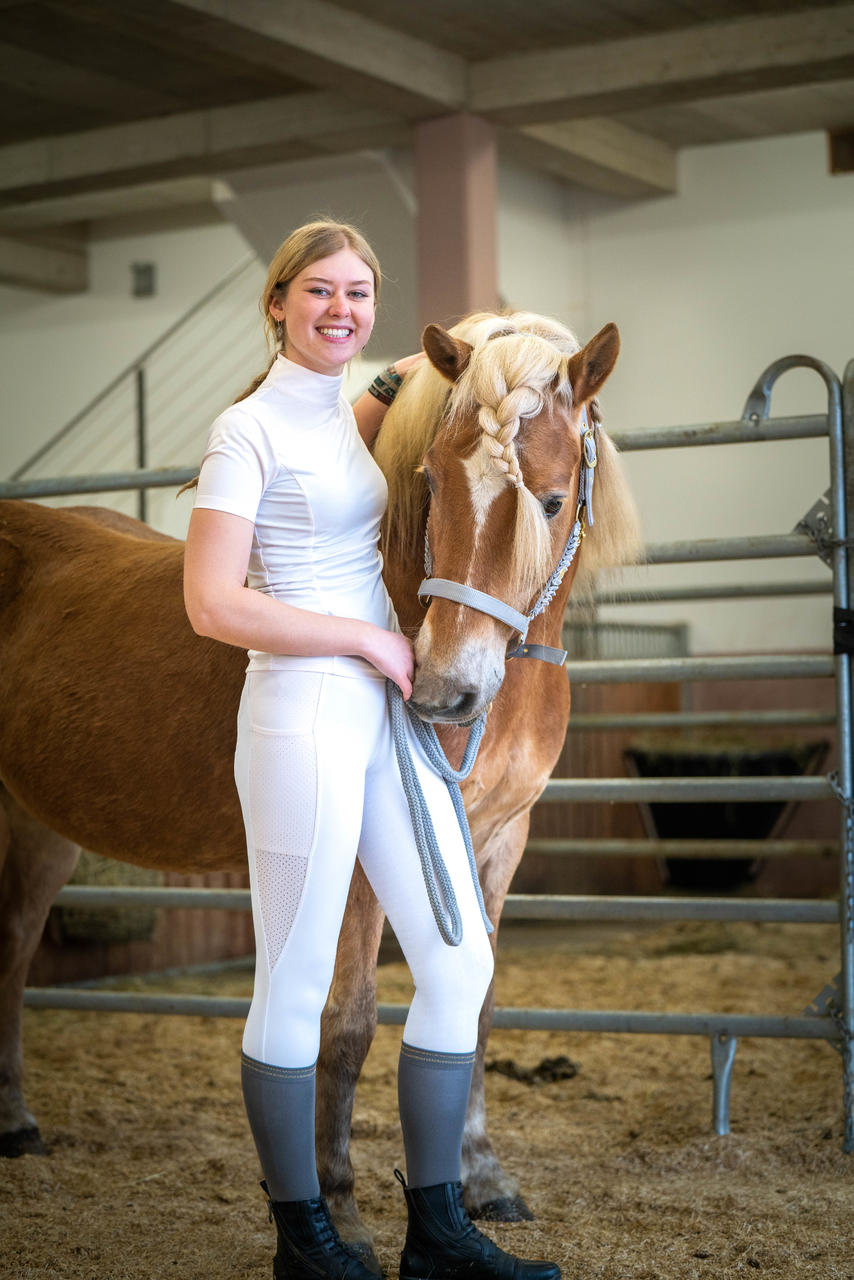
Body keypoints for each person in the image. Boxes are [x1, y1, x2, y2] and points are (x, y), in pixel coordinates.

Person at [183, 219, 560, 1280]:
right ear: (275, 302)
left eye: (358, 292)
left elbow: (446, 380)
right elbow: (210, 603)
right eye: (318, 291)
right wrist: (361, 633)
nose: (340, 308)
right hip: (303, 709)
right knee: (297, 980)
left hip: (379, 709)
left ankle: (435, 1227)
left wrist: (468, 357)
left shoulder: (353, 417)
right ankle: (300, 1235)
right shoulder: (242, 431)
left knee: (454, 955)